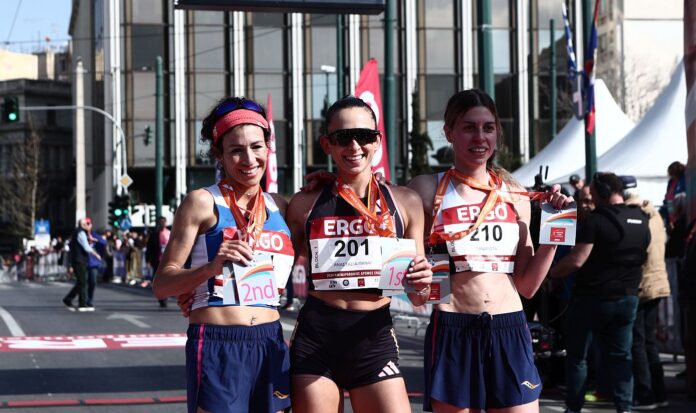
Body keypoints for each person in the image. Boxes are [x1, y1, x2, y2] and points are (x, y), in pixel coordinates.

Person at [407, 89, 572, 413]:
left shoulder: (515, 194)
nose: (479, 137)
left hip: (509, 327)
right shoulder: (426, 189)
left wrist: (555, 229)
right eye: (469, 127)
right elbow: (417, 293)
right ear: (449, 132)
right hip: (453, 328)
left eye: (488, 128)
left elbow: (527, 286)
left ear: (497, 133)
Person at [285, 95, 433, 413]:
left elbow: (419, 296)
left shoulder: (405, 202)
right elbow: (273, 269)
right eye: (343, 137)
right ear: (327, 144)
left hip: (373, 337)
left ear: (377, 141)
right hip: (317, 337)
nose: (354, 146)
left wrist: (423, 281)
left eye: (363, 136)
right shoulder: (304, 203)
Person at [152, 97, 292, 413]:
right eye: (236, 150)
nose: (249, 159)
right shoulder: (202, 202)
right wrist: (210, 268)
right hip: (218, 343)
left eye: (256, 147)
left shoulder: (281, 206)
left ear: (268, 147)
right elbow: (162, 285)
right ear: (219, 155)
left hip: (270, 340)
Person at [549, 172, 651, 413]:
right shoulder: (641, 218)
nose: (592, 200)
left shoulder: (597, 220)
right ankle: (624, 407)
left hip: (592, 298)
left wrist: (550, 273)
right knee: (621, 355)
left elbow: (577, 260)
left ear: (604, 193)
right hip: (628, 298)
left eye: (593, 195)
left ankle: (574, 407)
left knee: (578, 356)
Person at [622, 180, 671, 409]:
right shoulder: (654, 214)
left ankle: (646, 393)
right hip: (658, 281)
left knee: (638, 341)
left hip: (643, 283)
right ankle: (659, 392)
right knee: (649, 341)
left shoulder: (636, 215)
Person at [62, 217, 102, 312]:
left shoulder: (80, 233)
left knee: (82, 282)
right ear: (83, 225)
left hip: (80, 260)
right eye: (87, 224)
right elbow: (86, 247)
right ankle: (81, 303)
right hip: (79, 260)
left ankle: (70, 299)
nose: (89, 225)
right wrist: (95, 254)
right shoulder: (80, 233)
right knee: (82, 282)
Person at [146, 216, 171, 307]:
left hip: (167, 260)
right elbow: (149, 248)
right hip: (156, 260)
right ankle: (161, 298)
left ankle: (165, 297)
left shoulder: (169, 233)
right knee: (158, 280)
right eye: (160, 222)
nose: (162, 224)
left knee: (166, 280)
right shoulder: (154, 234)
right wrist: (148, 260)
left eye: (163, 222)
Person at [85, 228, 107, 309]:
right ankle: (84, 300)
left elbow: (104, 243)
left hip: (93, 263)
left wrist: (95, 240)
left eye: (88, 224)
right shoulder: (80, 234)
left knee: (93, 282)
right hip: (83, 262)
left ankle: (89, 300)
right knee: (84, 283)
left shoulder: (95, 235)